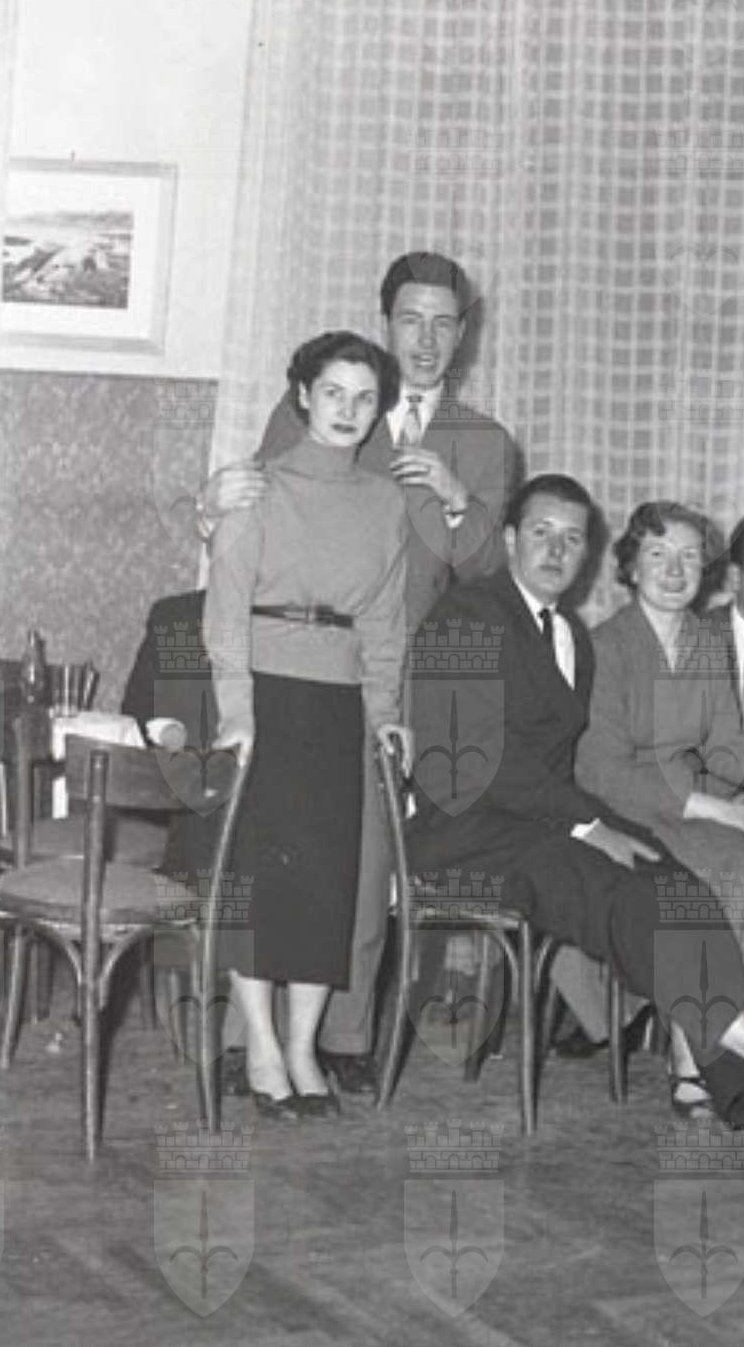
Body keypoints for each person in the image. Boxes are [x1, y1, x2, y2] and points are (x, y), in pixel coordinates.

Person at [407, 473, 744, 1174]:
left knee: (674, 881)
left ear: (589, 553)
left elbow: (568, 768)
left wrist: (604, 827)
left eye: (572, 538)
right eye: (541, 533)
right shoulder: (465, 614)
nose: (556, 550)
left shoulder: (568, 635)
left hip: (539, 828)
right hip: (465, 836)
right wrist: (587, 825)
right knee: (624, 892)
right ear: (508, 540)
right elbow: (472, 760)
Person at [197, 251, 521, 1093]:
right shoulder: (323, 400)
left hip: (408, 670)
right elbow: (250, 506)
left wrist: (456, 499)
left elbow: (492, 570)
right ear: (386, 324)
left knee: (360, 863)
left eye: (443, 323)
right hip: (296, 663)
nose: (426, 338)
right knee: (275, 855)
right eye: (411, 319)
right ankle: (251, 1044)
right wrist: (205, 505)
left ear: (464, 334)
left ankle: (337, 1039)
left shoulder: (485, 442)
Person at [203, 332, 411, 1119]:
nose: (348, 411)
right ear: (302, 396)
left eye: (365, 398)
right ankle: (260, 1045)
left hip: (339, 706)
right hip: (264, 700)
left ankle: (302, 1047)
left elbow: (385, 625)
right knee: (262, 885)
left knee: (328, 887)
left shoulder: (385, 503)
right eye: (333, 393)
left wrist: (385, 717)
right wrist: (236, 714)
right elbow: (225, 617)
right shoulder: (255, 489)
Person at [576, 503, 744, 998]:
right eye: (659, 554)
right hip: (617, 813)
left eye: (689, 556)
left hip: (683, 813)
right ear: (632, 567)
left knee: (738, 862)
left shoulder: (706, 643)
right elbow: (601, 771)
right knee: (703, 874)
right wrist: (712, 807)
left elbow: (726, 746)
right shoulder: (604, 648)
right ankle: (698, 1024)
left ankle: (725, 1025)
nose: (675, 570)